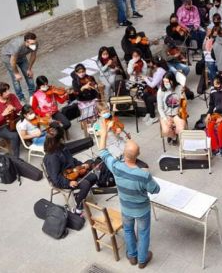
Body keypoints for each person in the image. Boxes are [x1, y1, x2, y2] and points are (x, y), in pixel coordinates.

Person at [98, 125, 159, 269]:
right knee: (143, 233)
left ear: (124, 153)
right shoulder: (143, 174)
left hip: (126, 207)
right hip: (142, 210)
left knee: (128, 230)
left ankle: (132, 256)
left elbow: (102, 151)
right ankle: (142, 260)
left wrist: (104, 133)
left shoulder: (116, 167)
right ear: (137, 155)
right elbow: (156, 190)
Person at [43, 123, 98, 215]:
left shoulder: (61, 147)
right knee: (85, 184)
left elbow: (71, 160)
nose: (62, 140)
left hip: (72, 172)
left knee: (93, 177)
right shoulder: (52, 158)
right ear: (57, 140)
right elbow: (55, 178)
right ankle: (77, 209)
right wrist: (68, 182)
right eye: (61, 138)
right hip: (63, 179)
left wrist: (82, 165)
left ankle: (79, 197)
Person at [0, 32, 38, 103]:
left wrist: (29, 69)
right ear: (26, 41)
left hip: (21, 55)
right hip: (8, 57)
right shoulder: (17, 45)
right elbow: (12, 61)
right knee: (16, 79)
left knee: (29, 74)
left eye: (34, 43)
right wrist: (16, 73)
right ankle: (21, 97)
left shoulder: (35, 43)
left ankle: (32, 94)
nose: (34, 45)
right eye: (32, 44)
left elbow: (33, 56)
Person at [0, 82, 22, 157]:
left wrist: (14, 108)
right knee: (14, 136)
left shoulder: (12, 96)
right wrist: (3, 114)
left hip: (13, 121)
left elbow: (20, 108)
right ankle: (16, 158)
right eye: (5, 91)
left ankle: (31, 142)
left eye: (8, 90)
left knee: (29, 120)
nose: (8, 92)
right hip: (0, 127)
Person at [157, 73, 186, 146]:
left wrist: (183, 95)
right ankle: (173, 137)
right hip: (166, 114)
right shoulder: (161, 91)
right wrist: (165, 119)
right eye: (164, 82)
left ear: (172, 81)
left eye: (167, 82)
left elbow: (184, 103)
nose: (165, 83)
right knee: (166, 131)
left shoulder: (179, 88)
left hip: (177, 114)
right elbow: (160, 107)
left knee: (181, 129)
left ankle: (173, 132)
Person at [140, 57, 167, 126]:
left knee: (150, 99)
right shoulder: (159, 70)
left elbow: (152, 85)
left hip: (164, 92)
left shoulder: (160, 72)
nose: (150, 63)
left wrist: (146, 79)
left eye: (151, 62)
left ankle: (153, 117)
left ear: (155, 64)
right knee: (145, 94)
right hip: (160, 90)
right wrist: (148, 78)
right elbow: (155, 80)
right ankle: (148, 112)